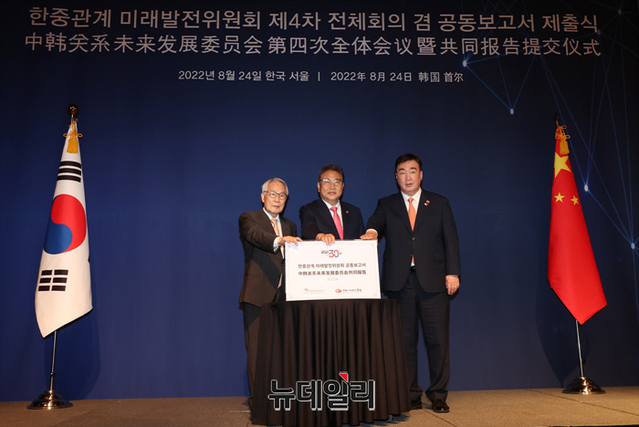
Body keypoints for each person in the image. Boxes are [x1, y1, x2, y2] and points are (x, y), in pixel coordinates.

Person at [361, 153, 461, 413]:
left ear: (421, 175)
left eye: (412, 171)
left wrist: (453, 273)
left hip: (434, 283)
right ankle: (410, 394)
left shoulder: (439, 203)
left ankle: (438, 394)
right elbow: (375, 223)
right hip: (400, 283)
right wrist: (371, 232)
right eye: (402, 172)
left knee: (438, 341)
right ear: (396, 177)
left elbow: (451, 240)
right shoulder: (387, 203)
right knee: (403, 342)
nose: (408, 177)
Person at [238, 177, 301, 410]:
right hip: (257, 294)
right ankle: (259, 403)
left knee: (280, 351)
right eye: (273, 194)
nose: (277, 199)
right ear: (263, 196)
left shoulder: (290, 225)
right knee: (257, 351)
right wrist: (279, 240)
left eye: (282, 195)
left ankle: (278, 399)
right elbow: (256, 236)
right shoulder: (249, 218)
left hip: (284, 298)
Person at [299, 163, 365, 244]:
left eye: (336, 182)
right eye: (327, 182)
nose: (332, 187)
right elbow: (308, 229)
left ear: (342, 186)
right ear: (319, 186)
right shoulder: (309, 210)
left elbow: (362, 242)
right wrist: (321, 236)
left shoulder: (354, 212)